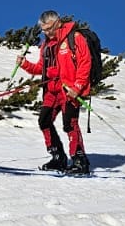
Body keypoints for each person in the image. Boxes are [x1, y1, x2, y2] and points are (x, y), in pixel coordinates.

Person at [16, 10, 90, 175]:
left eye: (49, 28)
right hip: (51, 91)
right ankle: (58, 158)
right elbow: (40, 68)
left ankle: (79, 161)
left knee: (69, 124)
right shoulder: (45, 45)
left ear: (58, 23)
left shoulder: (75, 38)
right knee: (44, 120)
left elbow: (85, 63)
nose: (47, 32)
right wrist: (25, 64)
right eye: (44, 30)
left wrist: (77, 87)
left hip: (69, 90)